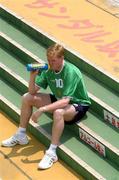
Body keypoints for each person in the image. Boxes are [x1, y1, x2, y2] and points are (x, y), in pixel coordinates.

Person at [1, 43, 91, 169]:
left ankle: (52, 152)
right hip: (59, 99)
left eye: (53, 60)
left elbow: (65, 102)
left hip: (77, 104)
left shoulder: (71, 71)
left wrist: (42, 109)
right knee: (27, 97)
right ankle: (21, 134)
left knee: (58, 112)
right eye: (49, 60)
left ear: (62, 58)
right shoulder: (48, 69)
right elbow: (32, 92)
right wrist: (32, 77)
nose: (50, 63)